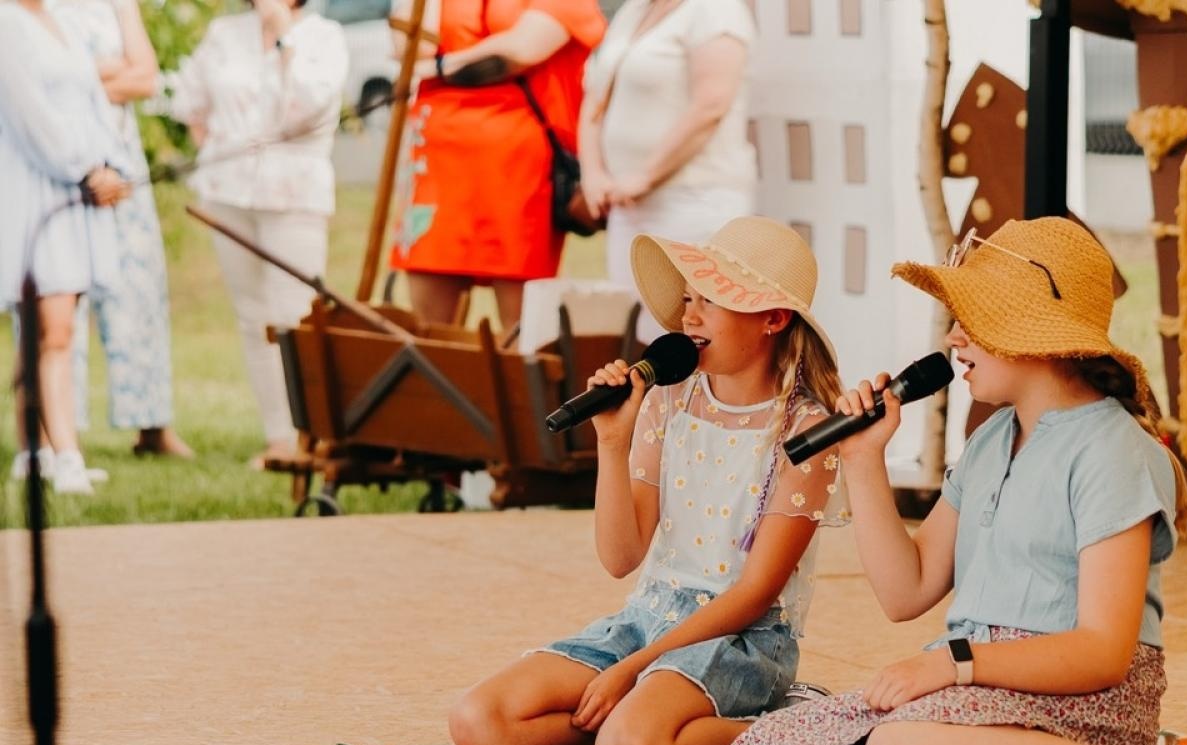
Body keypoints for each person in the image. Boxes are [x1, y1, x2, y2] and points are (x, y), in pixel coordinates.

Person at [719, 217, 1187, 745]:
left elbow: (1103, 652)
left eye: (972, 319)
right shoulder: (990, 441)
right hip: (970, 699)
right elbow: (905, 592)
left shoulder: (1113, 451)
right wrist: (863, 458)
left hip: (1080, 703)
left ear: (1032, 332)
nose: (954, 338)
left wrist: (952, 663)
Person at [447, 217, 847, 745]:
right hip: (648, 616)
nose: (689, 317)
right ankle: (640, 729)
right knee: (480, 723)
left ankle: (800, 725)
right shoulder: (668, 401)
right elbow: (620, 558)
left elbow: (756, 594)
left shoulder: (805, 433)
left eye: (711, 300)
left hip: (738, 637)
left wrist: (632, 669)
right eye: (688, 298)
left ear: (773, 319)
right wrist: (612, 444)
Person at [168, 0, 347, 469]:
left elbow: (311, 109)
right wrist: (216, 150)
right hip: (229, 195)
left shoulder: (323, 37)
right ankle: (278, 439)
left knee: (297, 315)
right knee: (253, 318)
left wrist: (282, 33)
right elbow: (188, 101)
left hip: (294, 195)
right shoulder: (225, 33)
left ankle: (313, 432)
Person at [389, 0, 606, 330]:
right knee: (429, 324)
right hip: (437, 159)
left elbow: (519, 52)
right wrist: (434, 59)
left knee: (520, 324)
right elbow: (408, 43)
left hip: (517, 165)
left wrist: (438, 66)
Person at [0, 0, 132, 494]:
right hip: (35, 189)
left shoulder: (61, 20)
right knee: (54, 329)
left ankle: (32, 452)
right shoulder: (5, 23)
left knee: (44, 327)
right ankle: (67, 455)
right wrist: (83, 168)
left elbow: (95, 101)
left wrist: (113, 165)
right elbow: (29, 113)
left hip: (77, 188)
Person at [56, 0, 191, 460]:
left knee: (140, 289)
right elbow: (37, 84)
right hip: (57, 163)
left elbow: (146, 77)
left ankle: (152, 424)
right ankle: (58, 430)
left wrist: (80, 79)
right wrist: (110, 75)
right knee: (57, 296)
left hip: (124, 164)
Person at [578, 0, 757, 338]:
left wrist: (645, 176)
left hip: (693, 202)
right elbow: (595, 96)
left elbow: (711, 105)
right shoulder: (635, 11)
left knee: (694, 330)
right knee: (638, 332)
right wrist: (593, 173)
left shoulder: (717, 10)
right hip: (628, 207)